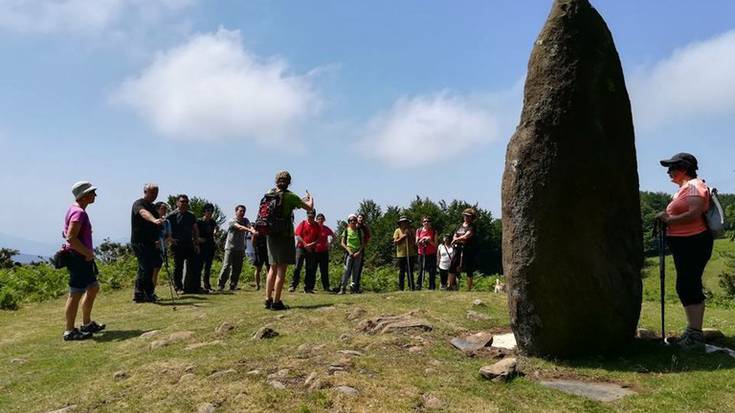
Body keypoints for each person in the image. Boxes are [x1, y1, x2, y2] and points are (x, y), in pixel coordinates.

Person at [656, 153, 714, 351]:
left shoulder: (694, 186)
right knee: (686, 285)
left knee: (688, 285)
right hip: (687, 243)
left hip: (694, 242)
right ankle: (692, 332)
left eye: (671, 168)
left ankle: (695, 335)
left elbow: (694, 213)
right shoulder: (684, 189)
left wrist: (668, 220)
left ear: (683, 168)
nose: (668, 172)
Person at [264, 171, 314, 310]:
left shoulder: (270, 193)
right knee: (281, 269)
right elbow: (309, 208)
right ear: (289, 182)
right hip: (284, 234)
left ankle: (267, 299)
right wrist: (310, 198)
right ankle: (276, 302)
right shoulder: (291, 196)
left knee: (272, 268)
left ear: (276, 181)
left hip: (270, 233)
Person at [62, 181, 105, 340]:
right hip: (79, 258)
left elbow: (67, 233)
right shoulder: (79, 212)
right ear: (84, 195)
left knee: (93, 287)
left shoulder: (74, 210)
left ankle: (86, 323)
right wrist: (87, 252)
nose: (95, 195)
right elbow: (71, 238)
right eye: (92, 192)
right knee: (76, 292)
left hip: (80, 257)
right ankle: (69, 331)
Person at [131, 183, 165, 303]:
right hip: (139, 242)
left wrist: (157, 238)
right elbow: (143, 213)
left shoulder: (152, 207)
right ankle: (144, 293)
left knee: (148, 268)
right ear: (145, 191)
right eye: (152, 193)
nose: (154, 195)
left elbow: (155, 226)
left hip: (151, 242)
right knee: (145, 267)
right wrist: (154, 220)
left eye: (156, 193)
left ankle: (142, 294)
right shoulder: (139, 204)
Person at [167, 194, 202, 294]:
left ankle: (193, 287)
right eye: (182, 201)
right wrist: (170, 240)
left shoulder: (191, 215)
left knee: (194, 266)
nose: (184, 203)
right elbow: (165, 229)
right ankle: (178, 288)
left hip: (189, 243)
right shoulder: (171, 216)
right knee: (178, 267)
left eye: (186, 202)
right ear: (177, 202)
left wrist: (196, 244)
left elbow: (195, 230)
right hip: (177, 245)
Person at [218, 205, 257, 291]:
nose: (242, 213)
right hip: (230, 247)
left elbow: (250, 226)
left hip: (240, 248)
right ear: (236, 211)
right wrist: (251, 231)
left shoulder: (245, 220)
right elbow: (240, 227)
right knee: (226, 266)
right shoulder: (232, 220)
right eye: (241, 211)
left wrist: (253, 229)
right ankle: (221, 285)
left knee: (237, 268)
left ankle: (233, 285)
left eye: (244, 211)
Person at [289, 210, 321, 293]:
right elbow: (298, 235)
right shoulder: (303, 223)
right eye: (309, 215)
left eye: (312, 215)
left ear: (314, 216)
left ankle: (308, 288)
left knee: (310, 268)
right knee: (297, 267)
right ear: (307, 215)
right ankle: (293, 285)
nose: (311, 217)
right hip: (301, 248)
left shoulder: (317, 225)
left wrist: (311, 244)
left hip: (311, 249)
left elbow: (318, 238)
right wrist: (305, 244)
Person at [448, 208, 477, 291]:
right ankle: (450, 285)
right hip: (458, 248)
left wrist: (457, 239)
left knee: (469, 268)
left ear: (471, 217)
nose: (466, 217)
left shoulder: (472, 226)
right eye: (465, 215)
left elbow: (467, 236)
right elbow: (454, 235)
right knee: (452, 265)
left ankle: (469, 289)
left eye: (468, 216)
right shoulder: (459, 225)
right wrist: (456, 239)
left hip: (468, 249)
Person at [338, 214, 365, 294]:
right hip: (349, 253)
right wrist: (349, 251)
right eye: (351, 220)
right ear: (348, 222)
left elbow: (363, 243)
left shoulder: (360, 231)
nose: (353, 222)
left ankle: (352, 288)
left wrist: (359, 252)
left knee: (355, 271)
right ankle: (343, 288)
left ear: (356, 221)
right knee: (346, 270)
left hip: (358, 253)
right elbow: (342, 243)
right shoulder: (346, 231)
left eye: (354, 220)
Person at [196, 203, 219, 291]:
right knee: (199, 266)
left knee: (208, 267)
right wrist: (198, 239)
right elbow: (194, 232)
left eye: (211, 211)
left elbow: (216, 228)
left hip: (210, 246)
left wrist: (216, 231)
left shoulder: (212, 221)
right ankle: (197, 285)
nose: (210, 212)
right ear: (204, 211)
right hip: (201, 246)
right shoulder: (199, 221)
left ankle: (207, 285)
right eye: (208, 210)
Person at [152, 202, 172, 288]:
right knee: (152, 270)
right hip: (152, 248)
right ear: (157, 209)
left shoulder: (167, 222)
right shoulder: (152, 221)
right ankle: (148, 291)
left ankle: (152, 290)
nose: (165, 210)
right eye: (163, 208)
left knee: (157, 269)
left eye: (165, 209)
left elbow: (169, 236)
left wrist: (163, 243)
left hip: (162, 248)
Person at [393, 216, 417, 291]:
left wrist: (408, 235)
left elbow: (413, 242)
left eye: (406, 222)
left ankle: (412, 287)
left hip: (410, 254)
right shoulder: (397, 231)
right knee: (402, 271)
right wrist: (403, 237)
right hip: (401, 254)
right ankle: (401, 287)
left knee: (410, 271)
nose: (404, 224)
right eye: (403, 222)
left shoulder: (412, 230)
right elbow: (395, 242)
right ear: (400, 223)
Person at [416, 216, 438, 290]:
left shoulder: (434, 231)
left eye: (428, 221)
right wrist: (422, 239)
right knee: (421, 269)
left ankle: (431, 286)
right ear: (422, 223)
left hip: (431, 253)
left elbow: (436, 245)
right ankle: (419, 285)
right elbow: (416, 243)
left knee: (432, 270)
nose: (426, 223)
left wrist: (430, 240)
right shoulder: (419, 230)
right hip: (421, 253)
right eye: (424, 221)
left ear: (430, 223)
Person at [315, 213, 335, 292]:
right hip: (315, 252)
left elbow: (334, 236)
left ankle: (326, 287)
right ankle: (310, 287)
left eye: (322, 219)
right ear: (316, 220)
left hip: (324, 252)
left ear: (324, 220)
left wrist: (330, 244)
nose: (320, 220)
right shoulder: (314, 228)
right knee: (312, 270)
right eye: (319, 219)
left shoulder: (326, 228)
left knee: (324, 271)